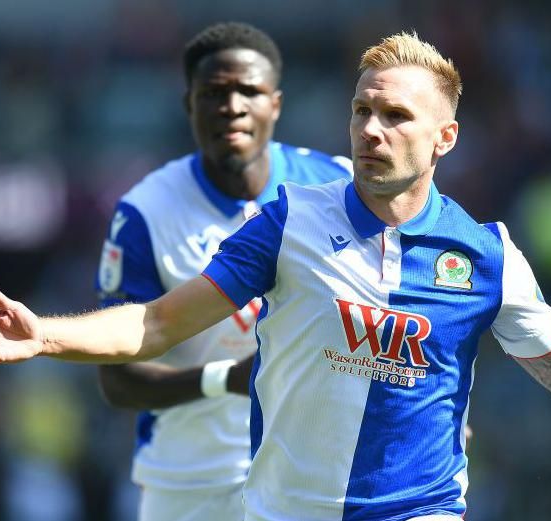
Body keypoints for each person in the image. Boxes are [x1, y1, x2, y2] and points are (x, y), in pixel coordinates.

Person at [0, 32, 551, 521]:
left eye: (397, 116)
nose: (372, 128)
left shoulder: (484, 254)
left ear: (443, 138)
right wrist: (46, 333)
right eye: (363, 109)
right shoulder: (289, 219)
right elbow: (156, 325)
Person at [93, 22, 351, 521]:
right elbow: (118, 380)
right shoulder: (146, 212)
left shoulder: (337, 187)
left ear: (275, 103)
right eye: (214, 92)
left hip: (316, 475)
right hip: (192, 483)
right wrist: (224, 379)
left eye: (249, 91)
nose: (232, 105)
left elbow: (400, 303)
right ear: (189, 104)